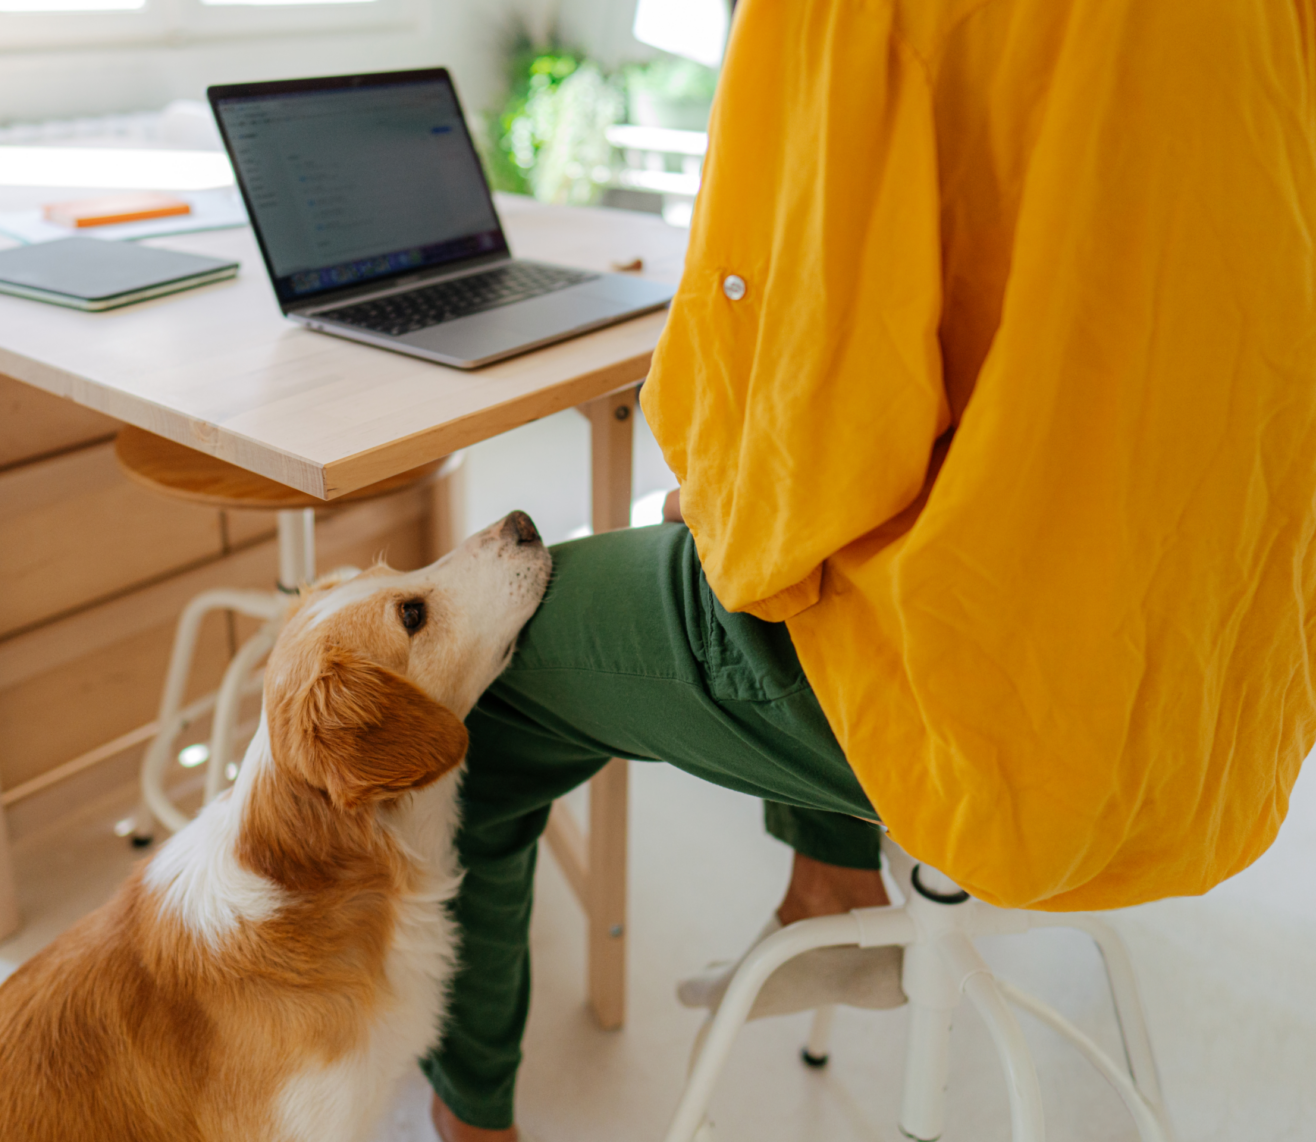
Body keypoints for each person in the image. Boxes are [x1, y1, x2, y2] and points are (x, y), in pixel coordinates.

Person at [428, 1, 1316, 1138]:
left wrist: (707, 481)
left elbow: (806, 401)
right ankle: (830, 884)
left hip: (995, 693)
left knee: (478, 684)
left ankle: (467, 1118)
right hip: (1220, 666)